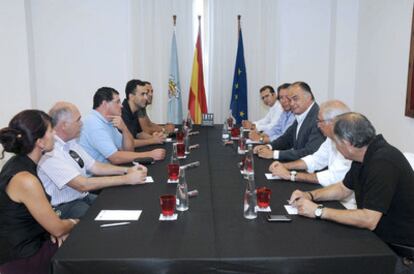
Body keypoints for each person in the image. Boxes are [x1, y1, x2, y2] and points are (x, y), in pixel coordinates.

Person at [289, 112, 414, 273]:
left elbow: (369, 219)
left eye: (336, 142)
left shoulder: (383, 162)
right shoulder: (364, 154)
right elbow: (342, 189)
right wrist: (310, 195)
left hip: (399, 252)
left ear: (347, 143)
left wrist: (319, 211)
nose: (335, 146)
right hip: (378, 238)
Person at [38, 102, 148, 219]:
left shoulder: (71, 143)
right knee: (98, 220)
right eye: (78, 120)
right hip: (65, 206)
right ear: (64, 125)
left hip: (82, 197)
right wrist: (126, 179)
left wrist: (127, 170)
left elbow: (95, 166)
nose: (81, 124)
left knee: (121, 204)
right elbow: (82, 185)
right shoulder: (49, 153)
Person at [0, 110, 78, 274]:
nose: (55, 133)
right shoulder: (25, 179)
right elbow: (58, 229)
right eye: (51, 130)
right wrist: (73, 222)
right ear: (40, 142)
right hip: (23, 258)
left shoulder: (17, 164)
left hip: (27, 244)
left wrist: (54, 230)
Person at [269, 100, 354, 208]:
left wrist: (292, 175)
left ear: (333, 122)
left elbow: (334, 177)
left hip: (346, 205)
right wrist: (285, 166)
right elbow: (315, 159)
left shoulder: (350, 144)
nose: (318, 125)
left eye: (320, 121)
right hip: (328, 194)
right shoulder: (331, 138)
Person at [79, 87, 165, 164]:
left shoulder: (109, 121)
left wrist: (124, 129)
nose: (121, 106)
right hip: (93, 176)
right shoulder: (93, 123)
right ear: (105, 104)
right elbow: (115, 158)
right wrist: (149, 154)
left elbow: (128, 150)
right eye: (117, 102)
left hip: (106, 170)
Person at [254, 81, 325, 161]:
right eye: (290, 100)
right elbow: (287, 138)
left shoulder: (318, 118)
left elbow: (309, 152)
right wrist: (269, 147)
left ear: (308, 97)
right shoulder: (302, 114)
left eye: (295, 99)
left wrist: (274, 154)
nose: (291, 103)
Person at [122, 79, 165, 147]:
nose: (146, 97)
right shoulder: (122, 113)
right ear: (131, 96)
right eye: (142, 94)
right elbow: (127, 144)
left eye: (146, 94)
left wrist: (154, 138)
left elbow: (139, 134)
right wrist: (152, 140)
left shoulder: (135, 110)